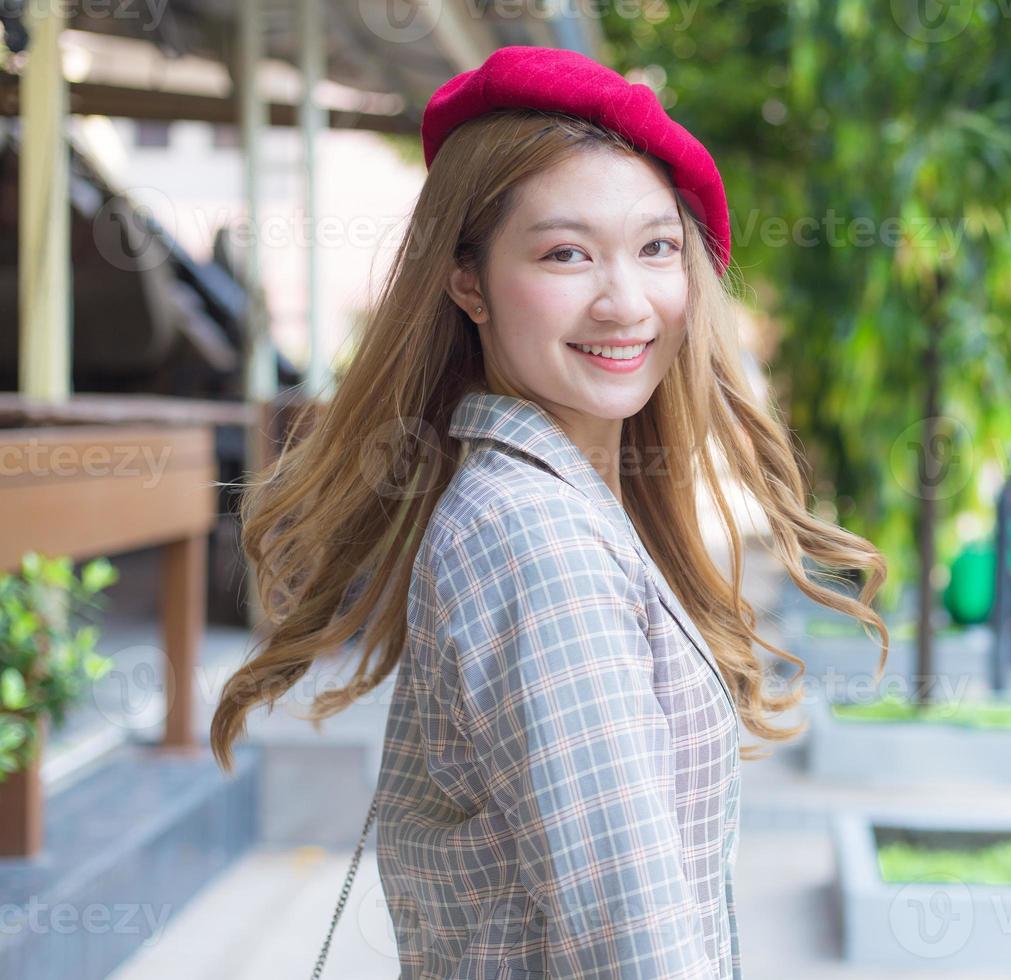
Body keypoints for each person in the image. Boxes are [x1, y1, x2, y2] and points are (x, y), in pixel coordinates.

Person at [206, 45, 890, 979]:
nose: (625, 302)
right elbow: (637, 954)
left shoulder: (558, 506)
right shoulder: (537, 541)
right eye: (566, 253)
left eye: (656, 247)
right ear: (468, 281)